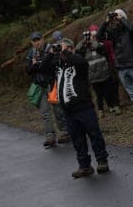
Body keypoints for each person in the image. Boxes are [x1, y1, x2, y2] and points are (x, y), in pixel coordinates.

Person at [41, 38, 109, 178]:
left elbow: (81, 62)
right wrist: (51, 53)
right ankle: (84, 165)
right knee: (77, 139)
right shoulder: (57, 65)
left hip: (83, 106)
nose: (62, 51)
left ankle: (102, 161)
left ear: (71, 49)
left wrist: (66, 53)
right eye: (61, 49)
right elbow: (42, 68)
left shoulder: (79, 61)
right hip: (68, 110)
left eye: (65, 48)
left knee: (94, 134)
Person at [98, 9, 133, 123]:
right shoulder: (113, 33)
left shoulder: (129, 30)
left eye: (118, 16)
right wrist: (106, 22)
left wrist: (122, 18)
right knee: (132, 93)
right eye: (115, 17)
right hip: (121, 67)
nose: (116, 19)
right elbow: (99, 36)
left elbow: (132, 29)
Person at [25, 31, 69, 147]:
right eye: (34, 41)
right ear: (31, 43)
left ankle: (65, 132)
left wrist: (39, 65)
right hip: (40, 86)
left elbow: (54, 65)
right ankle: (50, 136)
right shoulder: (31, 53)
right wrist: (34, 65)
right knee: (45, 113)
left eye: (38, 39)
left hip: (52, 84)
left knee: (58, 109)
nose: (37, 42)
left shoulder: (51, 48)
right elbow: (28, 71)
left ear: (43, 39)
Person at [76, 25, 121, 118]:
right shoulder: (84, 49)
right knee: (99, 95)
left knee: (109, 91)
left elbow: (101, 49)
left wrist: (92, 41)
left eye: (93, 35)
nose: (91, 37)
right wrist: (84, 41)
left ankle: (115, 106)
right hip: (93, 76)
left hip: (104, 73)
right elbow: (77, 50)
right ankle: (100, 110)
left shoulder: (99, 44)